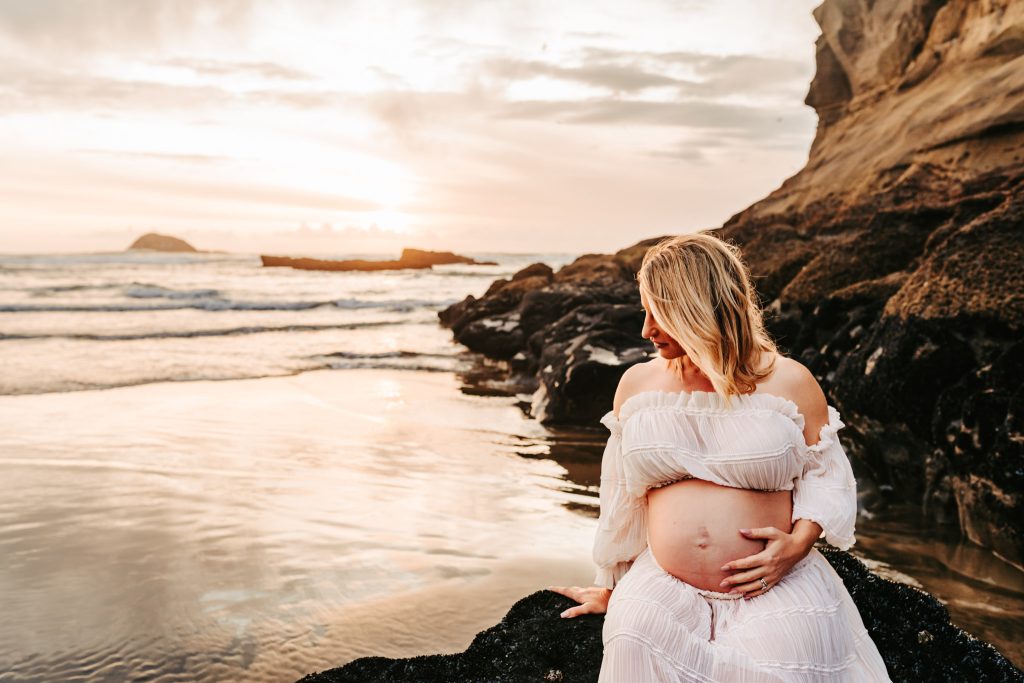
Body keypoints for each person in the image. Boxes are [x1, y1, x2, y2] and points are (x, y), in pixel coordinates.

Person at [549, 233, 891, 682]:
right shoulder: (637, 385)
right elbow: (620, 498)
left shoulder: (790, 381)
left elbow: (825, 476)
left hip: (773, 581)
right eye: (644, 311)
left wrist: (796, 546)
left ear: (700, 308)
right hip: (664, 583)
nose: (646, 330)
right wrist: (611, 586)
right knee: (631, 642)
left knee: (781, 668)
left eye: (659, 313)